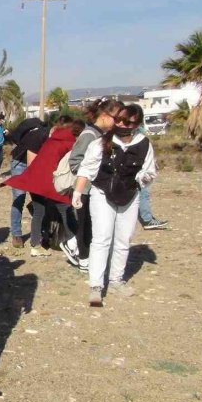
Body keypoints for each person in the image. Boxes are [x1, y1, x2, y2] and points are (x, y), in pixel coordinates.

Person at [72, 104, 156, 307]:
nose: (121, 124)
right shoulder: (100, 143)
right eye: (119, 120)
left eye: (127, 122)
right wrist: (77, 191)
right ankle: (95, 286)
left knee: (123, 238)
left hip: (129, 195)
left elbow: (150, 172)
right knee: (101, 238)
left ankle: (117, 279)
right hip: (102, 193)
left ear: (136, 124)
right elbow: (87, 168)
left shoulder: (144, 144)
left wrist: (141, 178)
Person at [2, 119, 84, 257]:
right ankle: (74, 242)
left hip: (35, 178)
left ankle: (35, 244)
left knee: (39, 210)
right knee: (65, 208)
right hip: (42, 179)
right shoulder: (67, 142)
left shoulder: (54, 138)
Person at [67, 99, 124, 272]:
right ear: (105, 116)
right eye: (117, 118)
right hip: (85, 189)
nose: (120, 123)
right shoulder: (90, 135)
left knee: (93, 225)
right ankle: (82, 258)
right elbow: (75, 161)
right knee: (85, 225)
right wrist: (90, 175)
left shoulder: (102, 135)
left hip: (96, 189)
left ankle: (85, 253)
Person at [6, 117, 49, 248]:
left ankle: (37, 235)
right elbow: (32, 163)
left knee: (39, 201)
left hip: (34, 165)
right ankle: (16, 234)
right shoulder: (40, 134)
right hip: (20, 163)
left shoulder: (52, 138)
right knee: (19, 198)